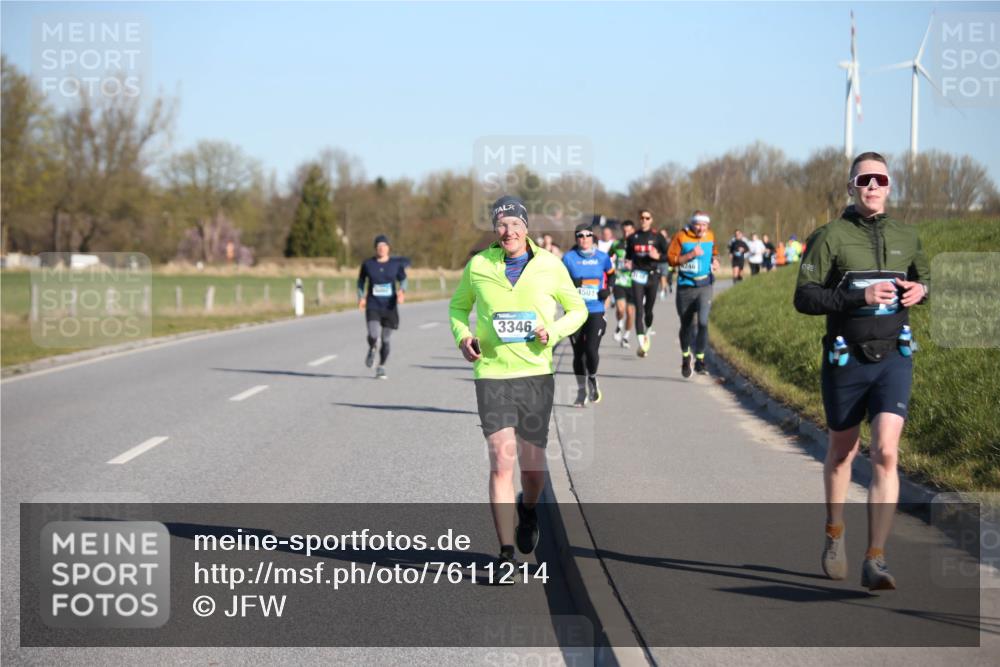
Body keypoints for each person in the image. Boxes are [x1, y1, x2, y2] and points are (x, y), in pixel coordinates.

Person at [793, 151, 930, 591]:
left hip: (894, 356)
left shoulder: (908, 236)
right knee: (842, 453)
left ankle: (877, 558)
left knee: (886, 453)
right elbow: (805, 298)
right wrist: (859, 298)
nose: (872, 186)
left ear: (890, 186)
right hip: (846, 358)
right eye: (864, 179)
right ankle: (834, 533)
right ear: (851, 187)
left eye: (880, 179)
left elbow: (924, 282)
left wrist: (920, 290)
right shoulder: (830, 236)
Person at [449, 195, 587, 580]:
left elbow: (577, 311)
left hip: (535, 374)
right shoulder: (479, 265)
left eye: (514, 224)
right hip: (491, 373)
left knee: (531, 469)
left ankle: (528, 509)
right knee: (500, 458)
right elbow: (458, 308)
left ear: (526, 228)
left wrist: (553, 332)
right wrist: (463, 337)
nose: (508, 231)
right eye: (501, 224)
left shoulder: (550, 266)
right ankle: (506, 553)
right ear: (496, 229)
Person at [563, 223, 614, 406]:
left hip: (595, 310)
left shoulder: (602, 257)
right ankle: (581, 391)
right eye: (580, 236)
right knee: (578, 354)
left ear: (593, 238)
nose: (584, 239)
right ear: (576, 239)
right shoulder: (568, 258)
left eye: (587, 235)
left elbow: (612, 274)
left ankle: (592, 378)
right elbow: (559, 281)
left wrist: (607, 290)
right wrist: (572, 284)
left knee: (591, 351)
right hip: (574, 311)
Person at [668, 211, 719, 377]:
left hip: (705, 285)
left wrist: (715, 260)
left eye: (704, 225)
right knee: (687, 325)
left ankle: (700, 360)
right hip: (685, 287)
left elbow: (714, 252)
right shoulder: (681, 236)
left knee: (703, 322)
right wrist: (691, 255)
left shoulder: (710, 236)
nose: (701, 228)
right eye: (698, 224)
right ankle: (685, 357)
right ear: (692, 224)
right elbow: (671, 259)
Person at [357, 234, 407, 379]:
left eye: (384, 246)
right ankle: (372, 347)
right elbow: (360, 281)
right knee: (373, 334)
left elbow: (403, 280)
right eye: (379, 246)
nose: (381, 249)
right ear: (375, 248)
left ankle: (381, 366)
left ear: (388, 248)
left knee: (385, 339)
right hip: (373, 304)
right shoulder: (368, 264)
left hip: (390, 307)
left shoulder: (395, 264)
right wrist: (361, 297)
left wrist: (402, 292)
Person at [625, 209, 668, 357]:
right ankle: (642, 344)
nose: (644, 220)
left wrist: (658, 257)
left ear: (651, 220)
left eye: (647, 217)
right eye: (642, 217)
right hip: (637, 275)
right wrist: (628, 263)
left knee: (648, 310)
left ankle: (648, 329)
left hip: (652, 276)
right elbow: (628, 256)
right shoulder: (632, 237)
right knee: (639, 309)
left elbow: (668, 256)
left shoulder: (657, 237)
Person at [610, 220, 636, 348]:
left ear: (633, 231)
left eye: (629, 231)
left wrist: (634, 265)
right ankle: (619, 324)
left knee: (630, 313)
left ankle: (626, 336)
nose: (626, 233)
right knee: (620, 309)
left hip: (634, 283)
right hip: (619, 280)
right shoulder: (616, 244)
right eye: (624, 231)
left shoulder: (637, 245)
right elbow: (608, 258)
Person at [657, 228, 674, 299]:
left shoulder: (669, 242)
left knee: (664, 276)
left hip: (666, 262)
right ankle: (662, 288)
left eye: (663, 234)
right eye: (661, 234)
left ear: (666, 235)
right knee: (659, 277)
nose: (662, 235)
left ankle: (663, 290)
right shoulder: (656, 242)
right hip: (657, 262)